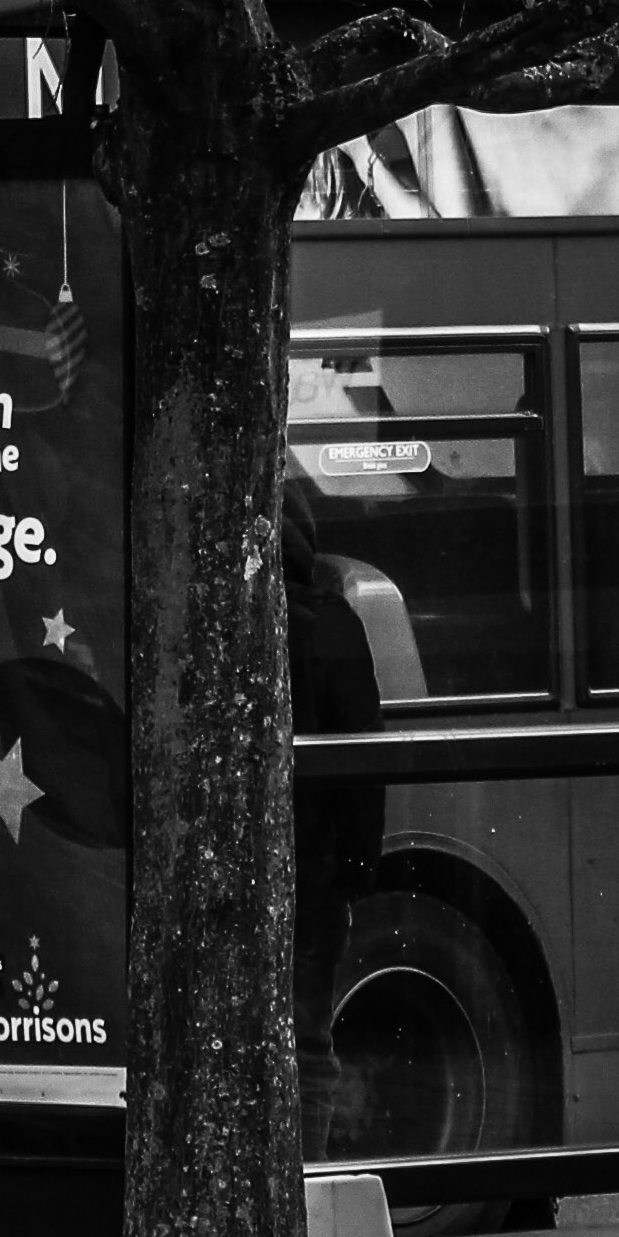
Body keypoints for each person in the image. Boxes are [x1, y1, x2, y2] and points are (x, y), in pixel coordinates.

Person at [283, 474, 387, 1124]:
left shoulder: (224, 617)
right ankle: (310, 1193)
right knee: (308, 1047)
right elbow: (362, 761)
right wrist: (356, 869)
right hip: (313, 877)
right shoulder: (331, 622)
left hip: (239, 877)